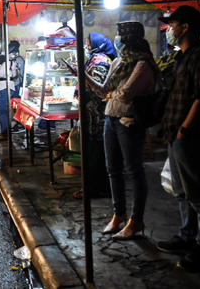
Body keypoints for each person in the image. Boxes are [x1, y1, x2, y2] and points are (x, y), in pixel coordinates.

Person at [155, 5, 200, 271]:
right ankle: (187, 236)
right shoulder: (182, 56)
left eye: (173, 26)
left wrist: (185, 129)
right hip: (175, 133)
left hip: (190, 136)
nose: (169, 30)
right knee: (182, 191)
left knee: (199, 193)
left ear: (186, 28)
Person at [85, 21, 157, 241]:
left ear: (130, 39)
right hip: (111, 118)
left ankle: (136, 220)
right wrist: (85, 77)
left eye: (120, 36)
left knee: (134, 171)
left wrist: (111, 95)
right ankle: (118, 215)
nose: (116, 40)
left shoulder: (143, 64)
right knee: (112, 169)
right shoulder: (118, 61)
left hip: (129, 121)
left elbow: (125, 94)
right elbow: (105, 90)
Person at [72, 32, 117, 200]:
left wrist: (81, 76)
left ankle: (93, 189)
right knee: (96, 152)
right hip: (92, 113)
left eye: (88, 43)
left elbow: (98, 89)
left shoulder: (100, 62)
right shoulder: (95, 59)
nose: (87, 45)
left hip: (96, 115)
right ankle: (102, 186)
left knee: (94, 153)